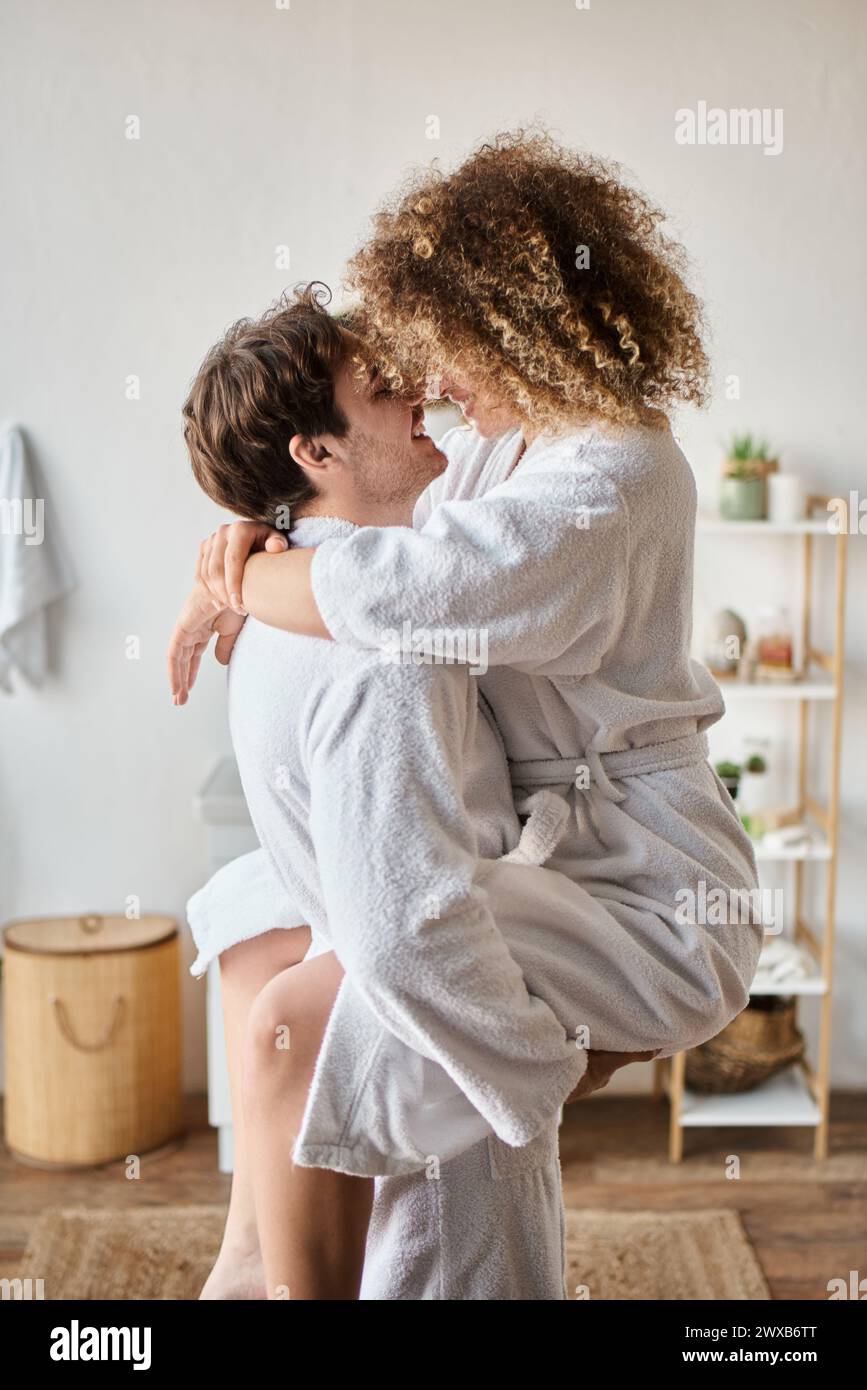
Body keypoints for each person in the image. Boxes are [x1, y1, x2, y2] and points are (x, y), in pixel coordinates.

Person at [173, 290, 655, 1301]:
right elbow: (408, 929)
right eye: (384, 390)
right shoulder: (384, 654)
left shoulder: (285, 606)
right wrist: (553, 1063)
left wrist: (241, 541)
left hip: (385, 1081)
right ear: (319, 455)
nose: (419, 393)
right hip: (439, 1144)